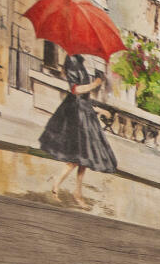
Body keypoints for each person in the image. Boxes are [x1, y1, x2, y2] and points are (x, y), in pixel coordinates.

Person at [40, 53, 118, 208]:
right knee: (76, 157)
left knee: (84, 159)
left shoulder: (80, 61)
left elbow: (84, 98)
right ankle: (56, 184)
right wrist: (94, 84)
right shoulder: (71, 60)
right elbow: (75, 90)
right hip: (76, 114)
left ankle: (77, 192)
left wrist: (98, 110)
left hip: (84, 112)